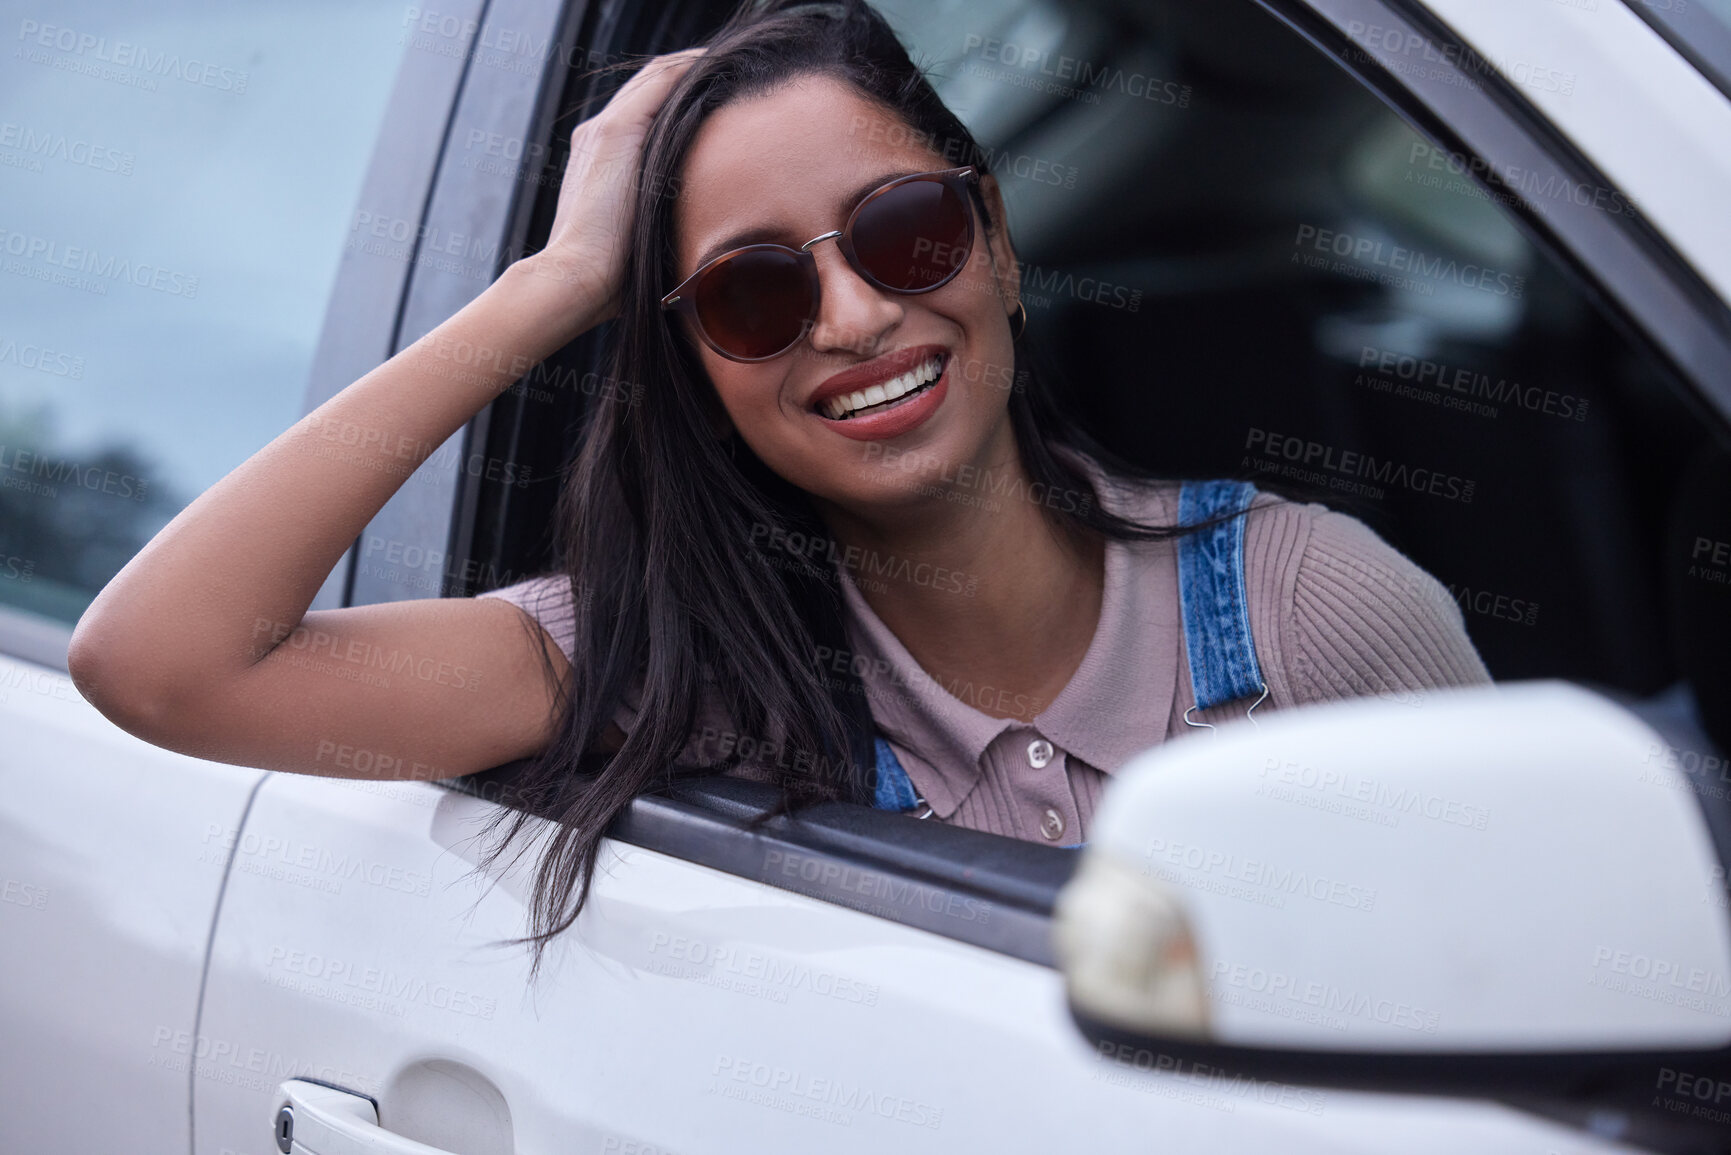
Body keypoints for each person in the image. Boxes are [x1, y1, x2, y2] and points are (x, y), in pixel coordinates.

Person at [68, 0, 1487, 959]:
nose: (857, 319)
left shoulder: (1315, 602)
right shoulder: (677, 667)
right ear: (692, 360)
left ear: (995, 243)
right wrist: (558, 283)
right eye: (751, 296)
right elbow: (163, 665)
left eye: (906, 232)